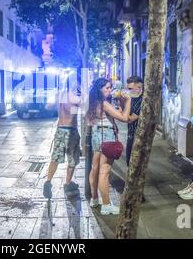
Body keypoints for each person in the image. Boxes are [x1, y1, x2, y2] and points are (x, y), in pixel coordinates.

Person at [86, 78, 131, 215]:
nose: (109, 90)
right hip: (107, 136)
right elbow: (124, 118)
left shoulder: (92, 102)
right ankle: (106, 205)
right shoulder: (104, 103)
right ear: (99, 89)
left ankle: (94, 199)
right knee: (104, 172)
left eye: (110, 88)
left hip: (96, 134)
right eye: (106, 88)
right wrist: (128, 101)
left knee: (95, 169)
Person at [43, 80, 82, 199]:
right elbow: (86, 107)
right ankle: (68, 183)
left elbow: (48, 106)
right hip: (71, 131)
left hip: (60, 129)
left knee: (55, 158)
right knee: (72, 160)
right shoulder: (75, 97)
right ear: (75, 84)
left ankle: (48, 181)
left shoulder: (59, 94)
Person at [124, 76, 143, 167]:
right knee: (129, 161)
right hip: (131, 134)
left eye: (130, 89)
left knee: (135, 163)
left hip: (139, 136)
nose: (129, 91)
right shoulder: (132, 98)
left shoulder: (142, 101)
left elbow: (130, 118)